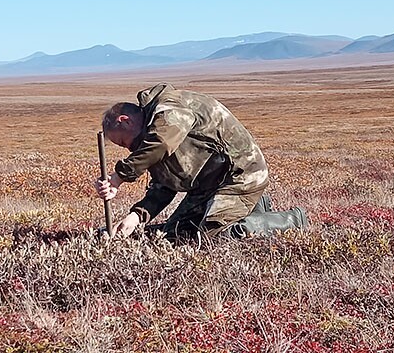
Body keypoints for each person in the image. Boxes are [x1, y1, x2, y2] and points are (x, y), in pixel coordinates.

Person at [93, 82, 307, 241]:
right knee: (175, 234)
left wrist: (119, 177)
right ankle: (254, 209)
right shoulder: (150, 139)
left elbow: (162, 142)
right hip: (208, 186)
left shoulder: (169, 108)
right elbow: (163, 186)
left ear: (125, 120)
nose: (129, 149)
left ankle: (292, 220)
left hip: (239, 177)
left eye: (123, 142)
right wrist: (136, 218)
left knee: (213, 235)